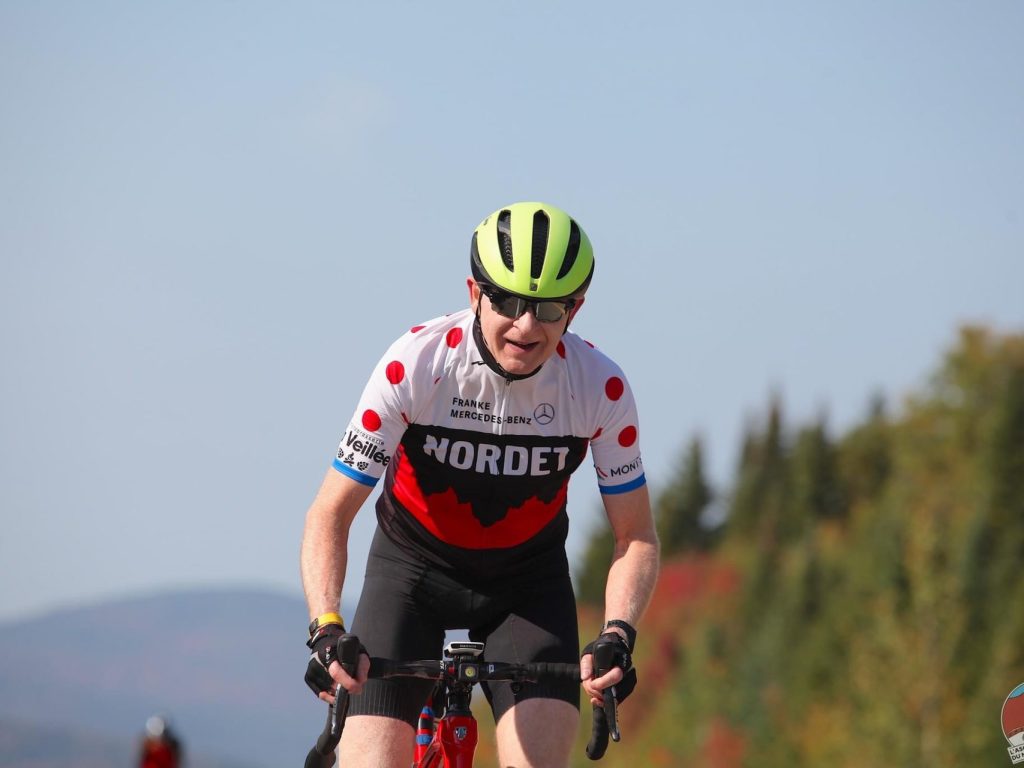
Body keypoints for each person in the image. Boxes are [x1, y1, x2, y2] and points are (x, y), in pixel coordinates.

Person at [300, 201, 660, 768]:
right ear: (474, 293)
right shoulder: (414, 366)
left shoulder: (600, 389)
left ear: (576, 308)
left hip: (526, 586)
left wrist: (618, 632)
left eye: (548, 308)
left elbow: (635, 536)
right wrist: (324, 627)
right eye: (508, 301)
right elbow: (330, 513)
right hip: (411, 573)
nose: (526, 325)